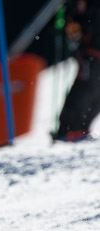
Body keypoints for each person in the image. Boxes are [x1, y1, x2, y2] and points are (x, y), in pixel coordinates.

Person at [55, 0, 100, 141]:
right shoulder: (75, 10)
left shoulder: (94, 11)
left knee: (85, 93)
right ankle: (75, 129)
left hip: (93, 58)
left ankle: (71, 130)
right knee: (91, 95)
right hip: (90, 57)